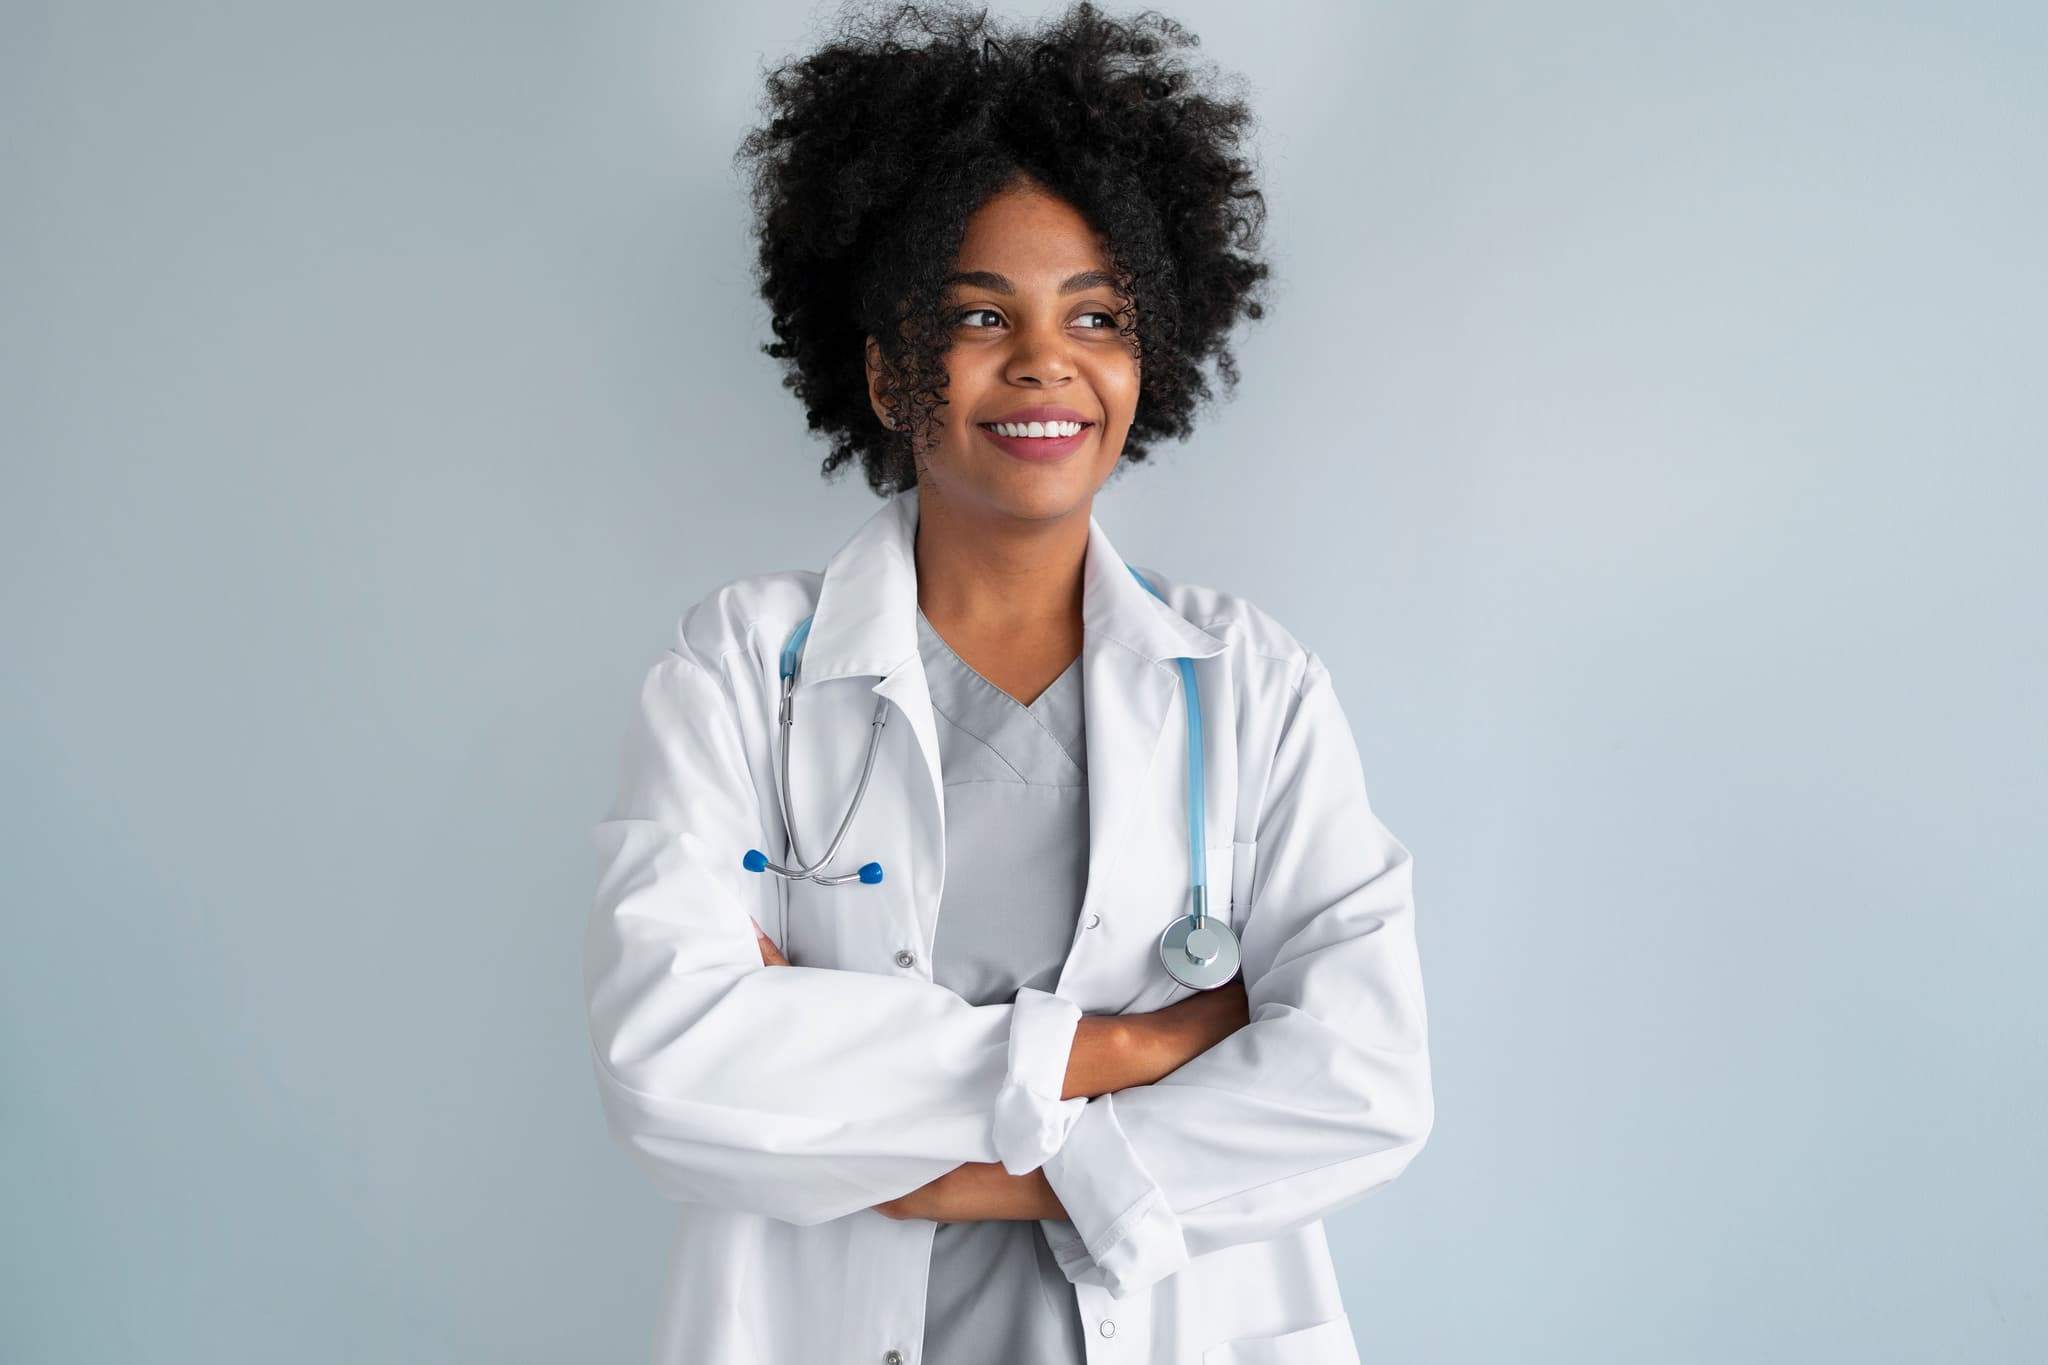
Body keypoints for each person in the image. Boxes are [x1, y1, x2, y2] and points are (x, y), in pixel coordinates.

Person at [581, 5, 1434, 1362]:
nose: (1045, 360)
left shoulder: (1250, 686)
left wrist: (997, 1172)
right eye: (982, 315)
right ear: (883, 369)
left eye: (1096, 315)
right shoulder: (745, 674)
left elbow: (1367, 1078)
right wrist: (1124, 1052)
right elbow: (670, 1061)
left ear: (1144, 357)